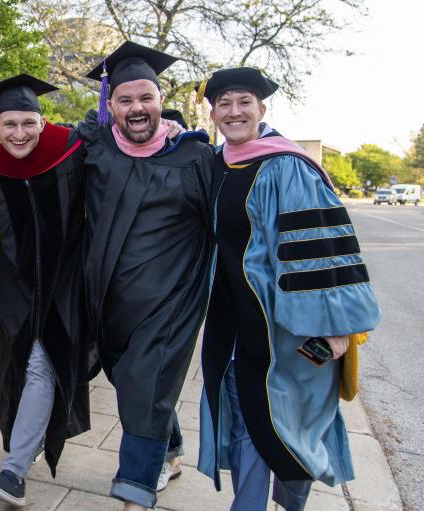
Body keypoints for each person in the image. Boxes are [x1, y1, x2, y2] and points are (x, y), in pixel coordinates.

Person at [194, 67, 381, 511]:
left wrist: (338, 329)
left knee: (296, 427)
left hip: (294, 333)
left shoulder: (287, 167)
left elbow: (322, 250)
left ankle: (292, 504)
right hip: (235, 328)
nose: (234, 111)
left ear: (262, 108)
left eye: (244, 102)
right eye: (224, 104)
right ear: (214, 113)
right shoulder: (217, 165)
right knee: (248, 426)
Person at [79, 41, 214, 510]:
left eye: (146, 98)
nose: (137, 108)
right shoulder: (94, 148)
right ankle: (171, 453)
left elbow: (236, 215)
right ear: (109, 105)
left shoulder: (194, 158)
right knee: (136, 385)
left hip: (168, 306)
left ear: (161, 101)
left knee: (144, 387)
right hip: (109, 304)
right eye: (125, 99)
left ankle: (135, 492)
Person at [0, 74, 93, 507]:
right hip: (16, 284)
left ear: (42, 122)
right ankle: (29, 440)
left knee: (45, 363)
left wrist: (171, 126)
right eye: (9, 125)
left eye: (27, 123)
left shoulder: (72, 150)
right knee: (21, 363)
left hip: (65, 282)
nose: (19, 134)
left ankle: (14, 470)